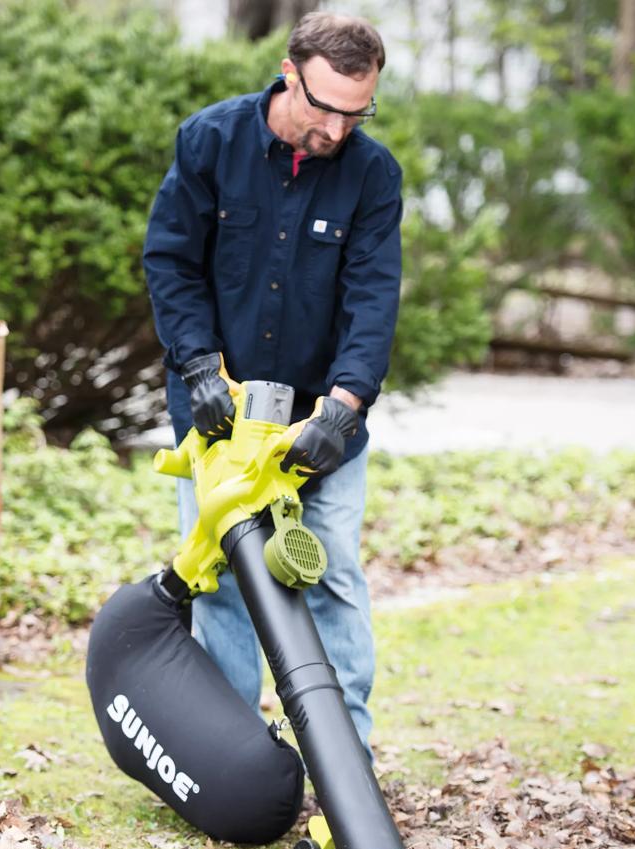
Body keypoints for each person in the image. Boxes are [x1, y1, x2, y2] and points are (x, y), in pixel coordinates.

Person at [142, 12, 402, 755]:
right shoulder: (210, 142)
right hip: (215, 409)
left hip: (318, 419)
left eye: (359, 112)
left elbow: (372, 299)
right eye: (326, 108)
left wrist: (345, 409)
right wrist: (196, 364)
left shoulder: (373, 176)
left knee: (333, 577)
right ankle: (236, 758)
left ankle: (342, 756)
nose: (340, 129)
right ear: (290, 73)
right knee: (222, 581)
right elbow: (172, 263)